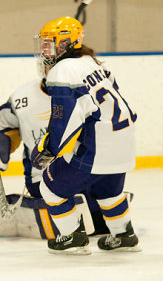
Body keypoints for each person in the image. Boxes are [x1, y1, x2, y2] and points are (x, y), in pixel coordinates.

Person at [30, 16, 139, 254]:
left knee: (49, 187)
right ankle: (124, 235)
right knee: (109, 192)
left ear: (67, 43)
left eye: (51, 43)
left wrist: (48, 149)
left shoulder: (62, 69)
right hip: (123, 140)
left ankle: (72, 236)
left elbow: (66, 118)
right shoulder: (94, 62)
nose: (45, 50)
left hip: (97, 146)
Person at [0, 66, 123, 238]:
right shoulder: (21, 97)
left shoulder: (86, 91)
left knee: (99, 194)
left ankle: (79, 230)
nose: (52, 68)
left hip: (84, 171)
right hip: (40, 179)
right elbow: (4, 126)